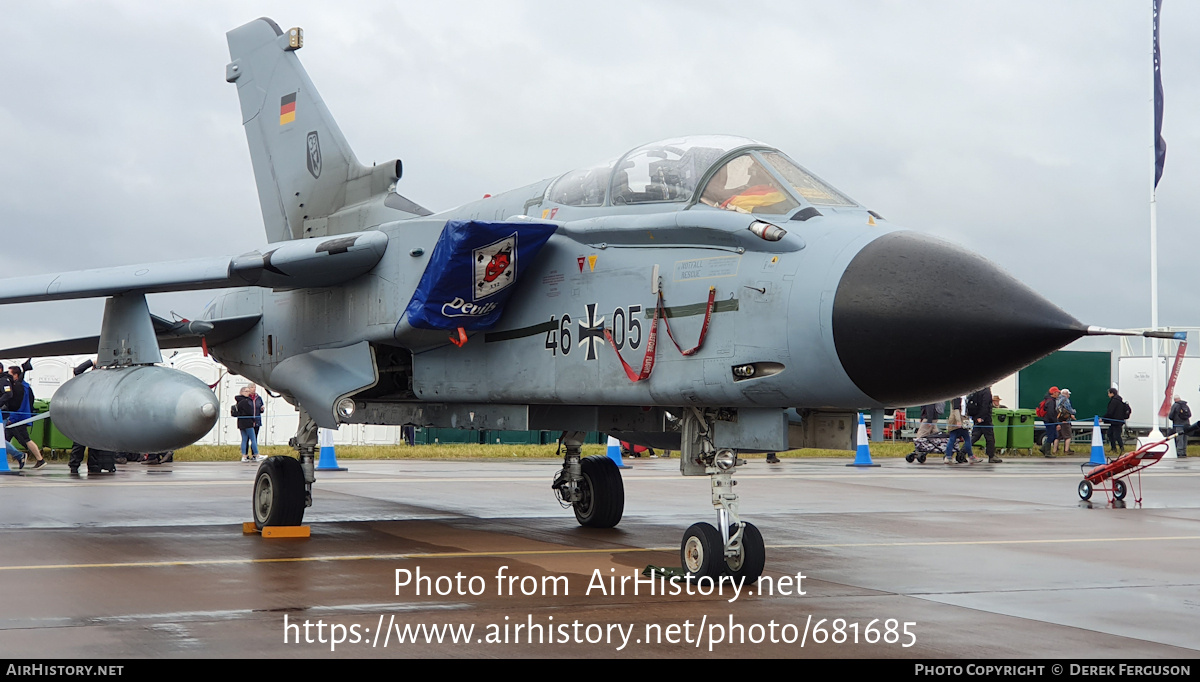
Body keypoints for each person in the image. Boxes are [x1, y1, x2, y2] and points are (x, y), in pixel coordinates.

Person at [3, 365, 45, 469]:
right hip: (14, 418)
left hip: (18, 419)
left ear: (16, 375)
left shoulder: (21, 388)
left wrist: (12, 418)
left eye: (10, 374)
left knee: (25, 440)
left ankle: (39, 459)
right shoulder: (19, 385)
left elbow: (20, 405)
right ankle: (16, 457)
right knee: (4, 440)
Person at [966, 386, 1002, 463]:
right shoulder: (986, 391)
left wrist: (976, 417)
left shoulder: (977, 389)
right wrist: (982, 417)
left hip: (976, 417)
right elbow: (985, 405)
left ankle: (962, 452)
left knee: (974, 437)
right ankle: (991, 456)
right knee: (990, 438)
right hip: (985, 419)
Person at [944, 398, 979, 464]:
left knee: (954, 439)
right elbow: (956, 410)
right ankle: (970, 457)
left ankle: (948, 457)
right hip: (957, 421)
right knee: (961, 439)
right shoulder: (958, 398)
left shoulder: (963, 398)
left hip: (962, 421)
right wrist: (958, 421)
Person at [235, 385, 265, 463]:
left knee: (244, 439)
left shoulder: (238, 400)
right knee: (253, 439)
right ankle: (257, 455)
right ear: (242, 392)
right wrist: (253, 418)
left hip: (241, 422)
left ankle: (244, 456)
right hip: (248, 422)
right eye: (246, 391)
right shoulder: (245, 401)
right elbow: (249, 411)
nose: (248, 392)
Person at [1102, 388, 1128, 455]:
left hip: (1115, 421)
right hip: (1118, 421)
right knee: (1110, 434)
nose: (1108, 395)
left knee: (1116, 435)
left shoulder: (1113, 401)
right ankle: (1114, 448)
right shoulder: (1120, 401)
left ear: (1112, 393)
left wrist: (1103, 418)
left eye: (1109, 393)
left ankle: (1121, 448)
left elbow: (1110, 412)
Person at [1039, 386, 1061, 457]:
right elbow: (1051, 413)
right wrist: (1056, 423)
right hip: (1050, 421)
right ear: (1053, 393)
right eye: (1057, 392)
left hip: (1049, 420)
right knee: (1051, 436)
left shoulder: (1049, 400)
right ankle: (1047, 453)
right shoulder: (1051, 401)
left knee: (1054, 435)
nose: (1058, 394)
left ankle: (1043, 448)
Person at [1055, 388, 1077, 455]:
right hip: (1065, 421)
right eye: (1068, 394)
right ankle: (1066, 450)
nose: (1069, 396)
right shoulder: (1065, 400)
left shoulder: (1057, 399)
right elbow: (1069, 409)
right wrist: (1074, 412)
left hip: (1058, 420)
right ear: (1065, 394)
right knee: (1068, 436)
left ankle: (1054, 450)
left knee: (1057, 437)